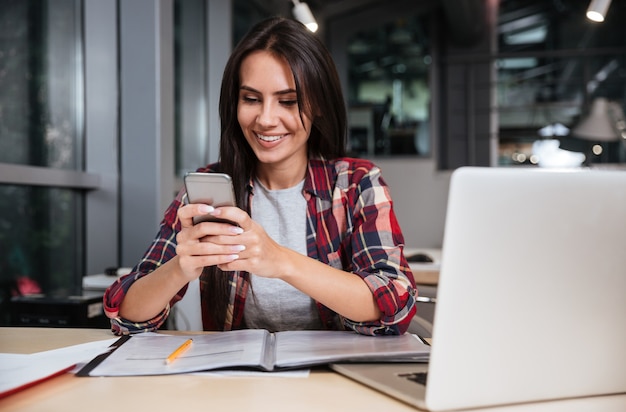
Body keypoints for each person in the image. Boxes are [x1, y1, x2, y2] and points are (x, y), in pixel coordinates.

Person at [103, 16, 417, 336]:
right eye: (251, 99)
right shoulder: (208, 190)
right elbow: (125, 316)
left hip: (332, 379)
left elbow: (395, 305)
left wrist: (280, 260)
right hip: (239, 380)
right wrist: (179, 269)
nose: (266, 119)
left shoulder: (356, 183)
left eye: (288, 101)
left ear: (319, 103)